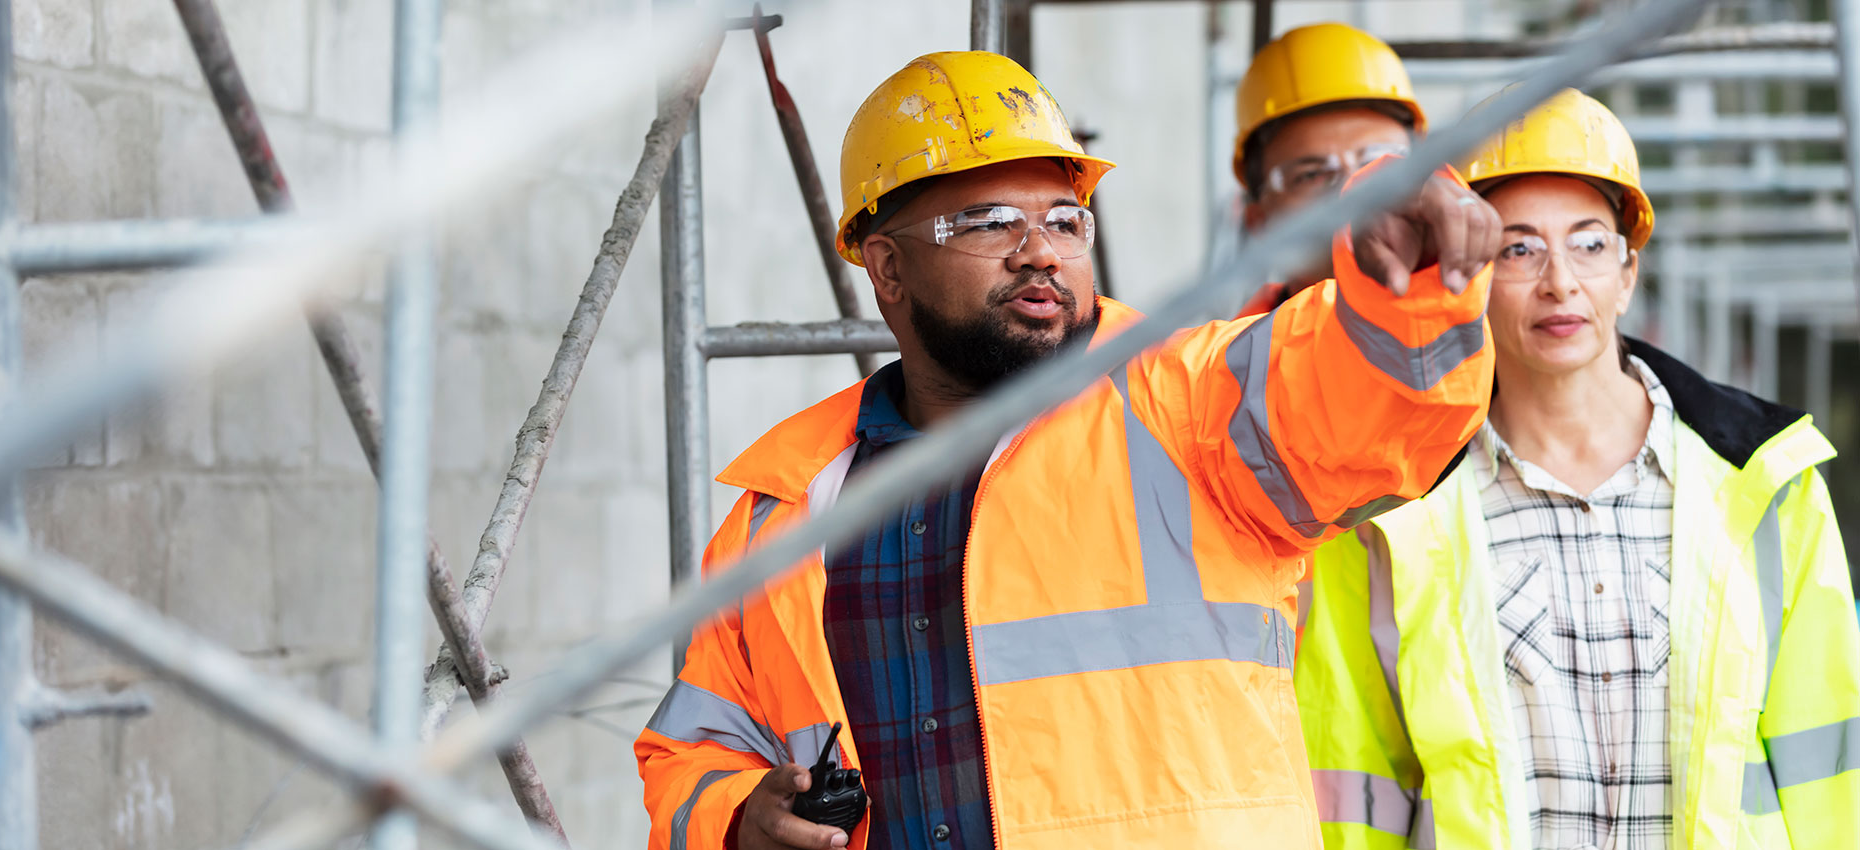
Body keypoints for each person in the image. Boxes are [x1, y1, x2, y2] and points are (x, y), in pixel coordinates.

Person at [637, 51, 1501, 850]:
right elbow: (690, 751)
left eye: (1064, 219)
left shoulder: (1188, 402)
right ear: (886, 270)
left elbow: (1373, 399)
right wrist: (732, 816)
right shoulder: (784, 509)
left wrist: (1409, 284)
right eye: (987, 222)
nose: (1040, 250)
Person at [1295, 88, 1860, 850]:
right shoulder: (1388, 514)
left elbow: (1829, 767)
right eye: (1517, 248)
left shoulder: (1767, 484)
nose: (1559, 281)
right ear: (1467, 276)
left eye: (1589, 244)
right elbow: (1352, 785)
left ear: (1626, 274)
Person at [1232, 22, 1425, 319]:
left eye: (1378, 162)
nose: (1353, 190)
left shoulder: (1498, 341)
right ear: (1260, 224)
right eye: (1312, 175)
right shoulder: (1233, 363)